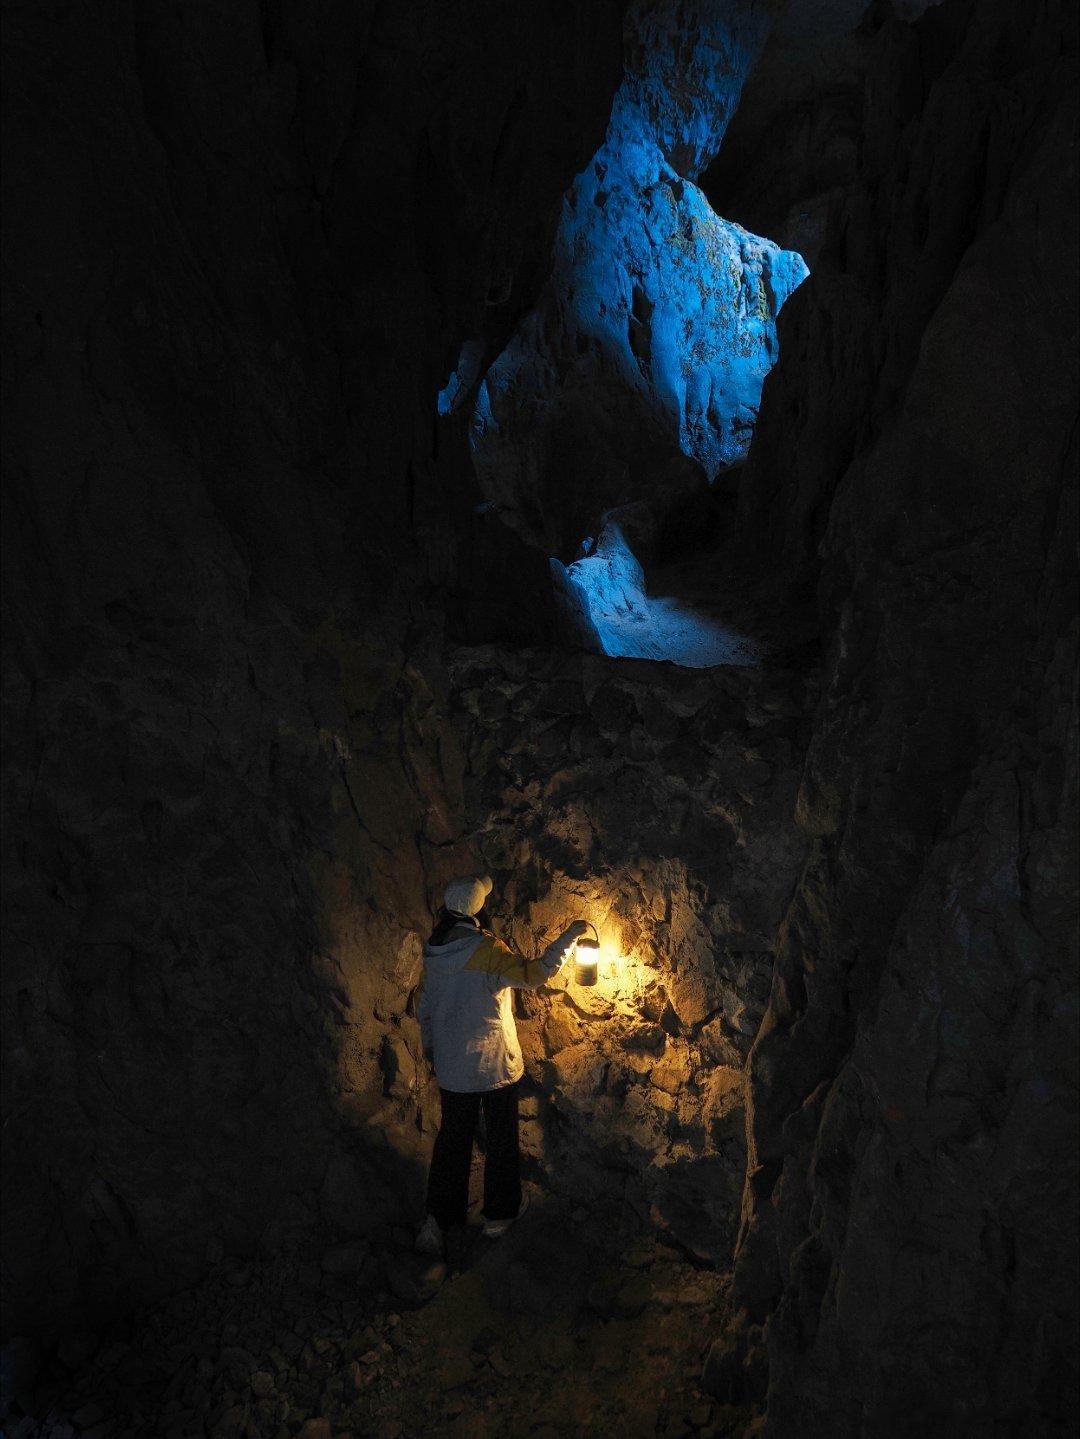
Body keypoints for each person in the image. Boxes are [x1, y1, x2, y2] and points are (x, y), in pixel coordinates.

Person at [414, 873, 588, 1267]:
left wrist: (429, 1042)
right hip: (493, 1064)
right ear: (479, 908)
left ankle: (438, 1220)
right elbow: (535, 974)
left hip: (453, 1067)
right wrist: (568, 939)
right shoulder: (486, 949)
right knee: (501, 1138)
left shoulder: (435, 950)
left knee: (452, 1141)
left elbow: (425, 1004)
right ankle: (499, 1213)